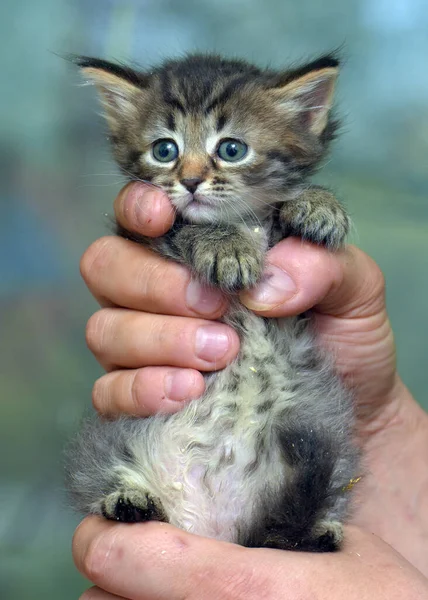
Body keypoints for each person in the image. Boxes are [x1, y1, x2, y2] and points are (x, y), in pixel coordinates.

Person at [72, 182, 428, 599]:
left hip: (268, 468)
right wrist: (383, 425)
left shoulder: (284, 220)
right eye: (166, 150)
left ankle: (293, 523)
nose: (193, 175)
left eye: (232, 149)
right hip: (187, 469)